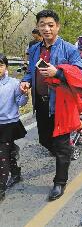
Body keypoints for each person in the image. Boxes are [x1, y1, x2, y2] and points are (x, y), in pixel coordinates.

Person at [21, 9, 82, 201]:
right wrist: (26, 81)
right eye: (42, 24)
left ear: (57, 26)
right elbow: (30, 71)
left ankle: (59, 182)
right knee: (44, 140)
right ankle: (64, 152)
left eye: (50, 25)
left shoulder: (69, 49)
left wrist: (57, 73)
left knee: (61, 144)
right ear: (38, 27)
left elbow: (80, 74)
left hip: (61, 105)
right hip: (40, 104)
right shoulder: (34, 49)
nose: (46, 28)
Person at [0, 54, 28, 201]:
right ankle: (16, 173)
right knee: (7, 152)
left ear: (6, 67)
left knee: (1, 156)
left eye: (0, 65)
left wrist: (25, 95)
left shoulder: (13, 83)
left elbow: (21, 103)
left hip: (9, 125)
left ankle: (1, 189)